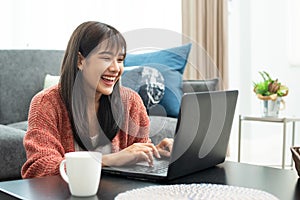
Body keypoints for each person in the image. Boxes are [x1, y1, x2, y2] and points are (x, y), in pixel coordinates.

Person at [21, 21, 173, 179]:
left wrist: (157, 154)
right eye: (106, 58)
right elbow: (40, 168)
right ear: (80, 61)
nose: (115, 68)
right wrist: (106, 160)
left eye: (120, 60)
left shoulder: (131, 102)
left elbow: (137, 161)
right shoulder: (46, 104)